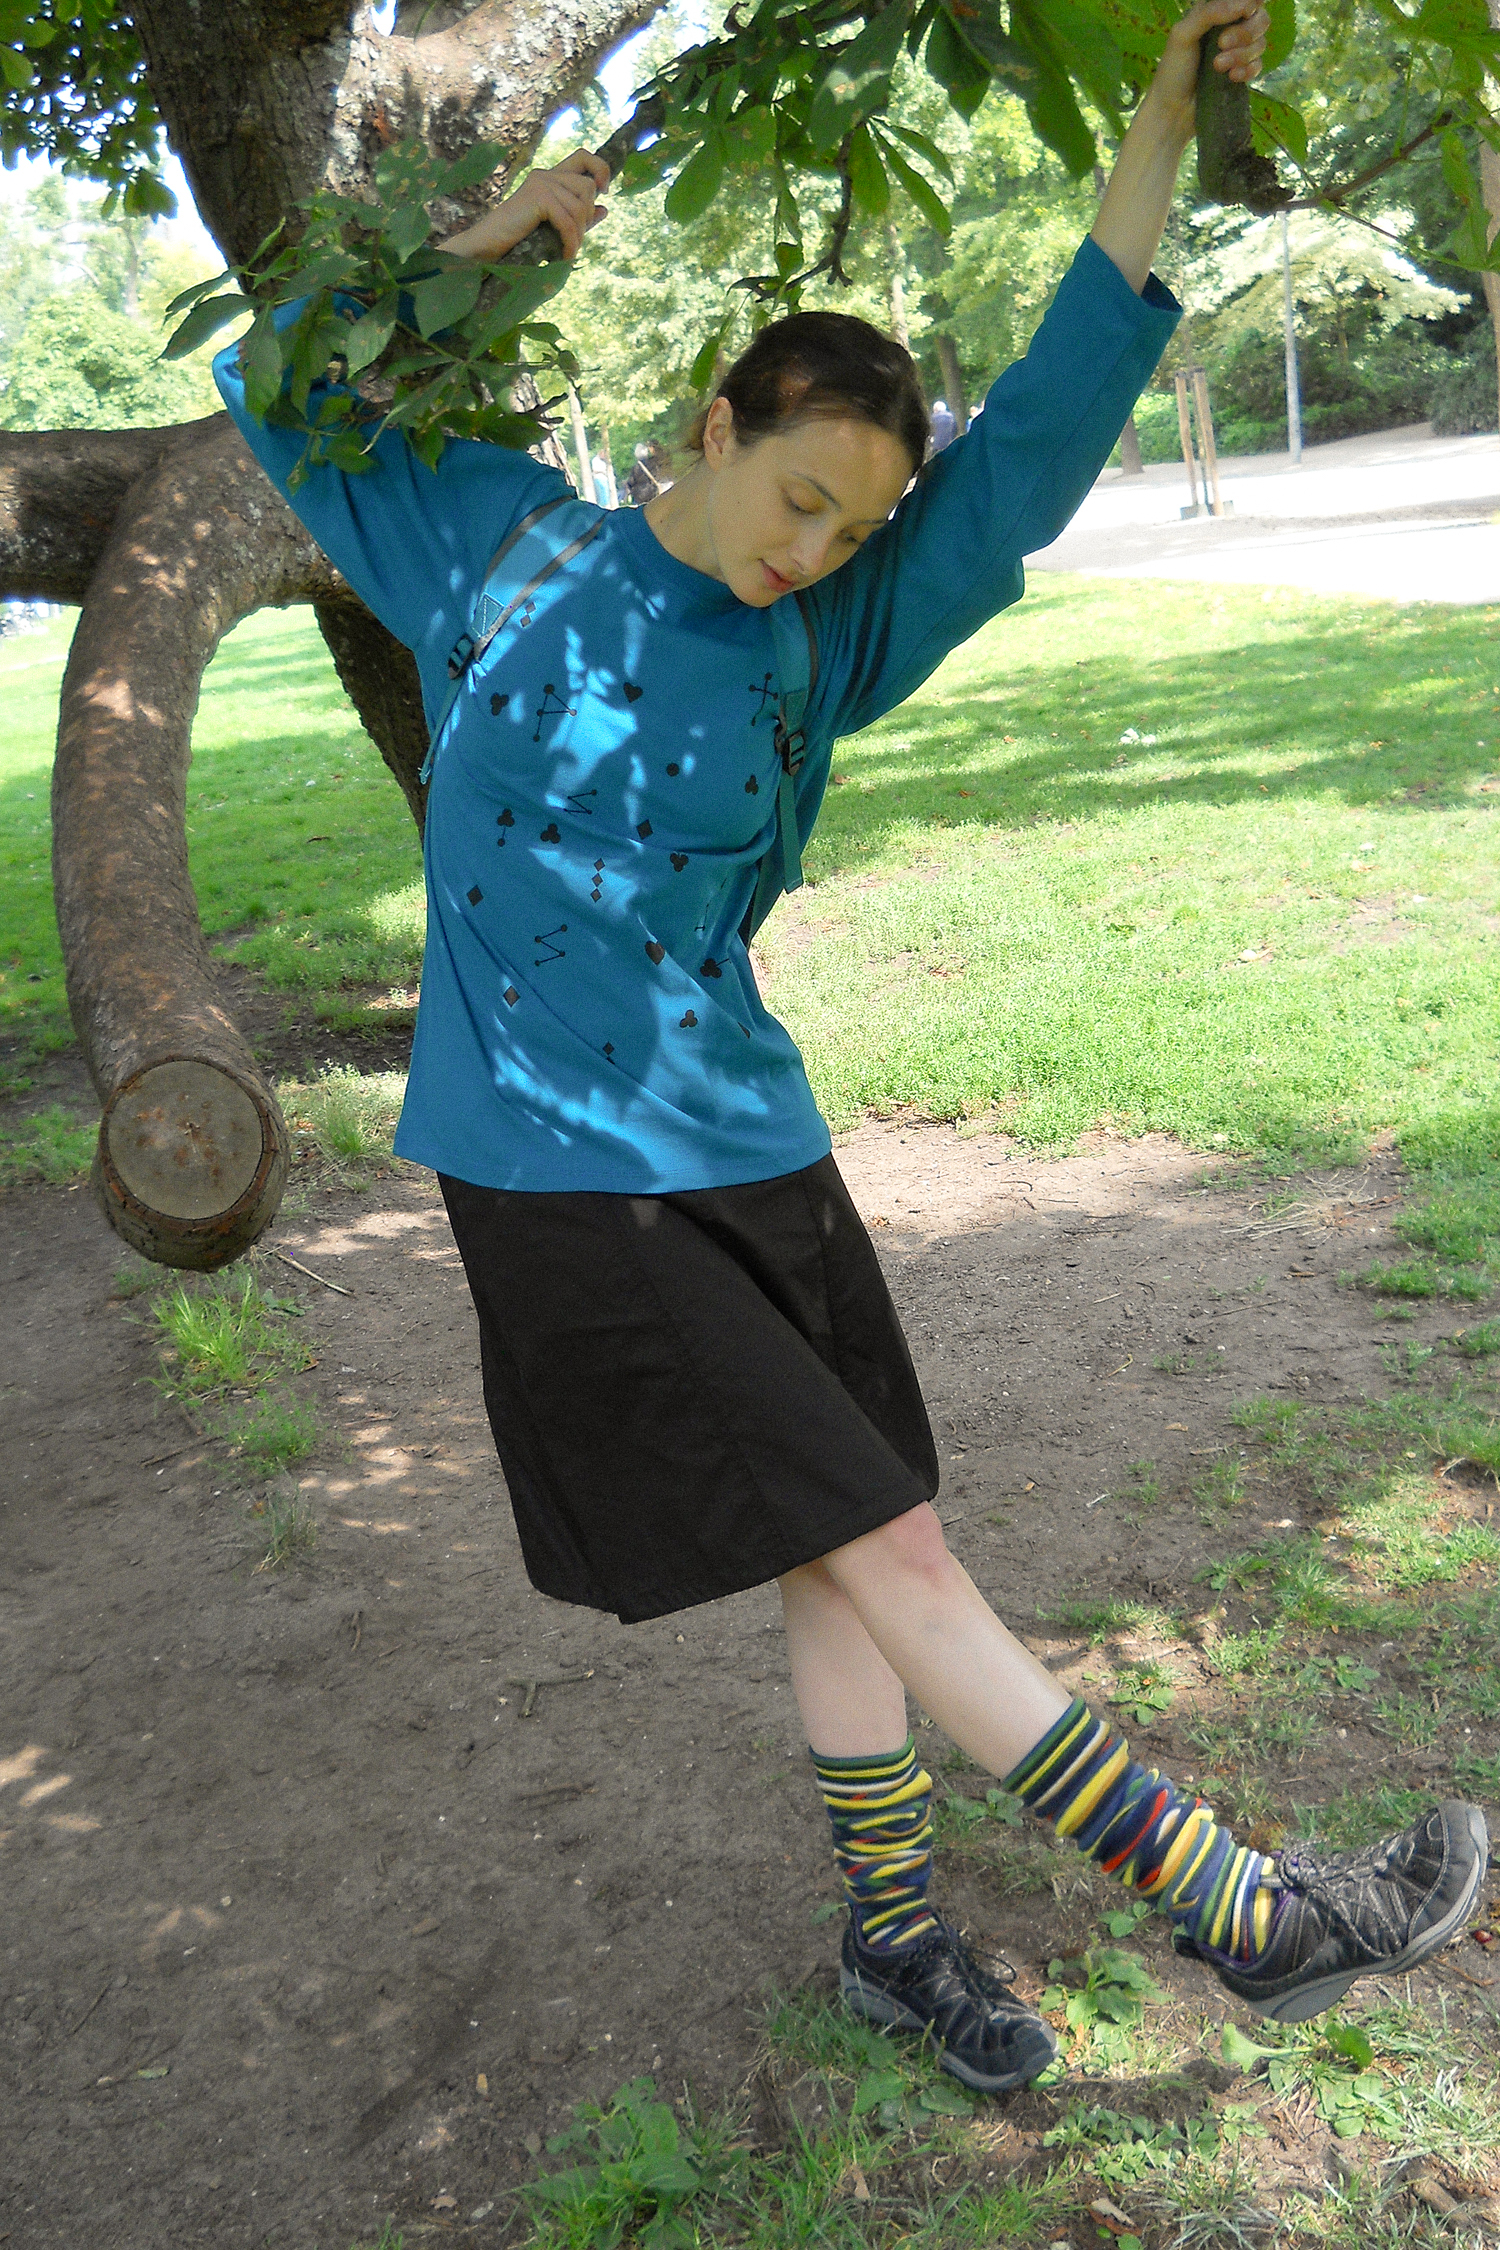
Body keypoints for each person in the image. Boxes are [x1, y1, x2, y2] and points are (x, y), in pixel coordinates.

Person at [214, 0, 1487, 2097]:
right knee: (884, 1544)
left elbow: (1042, 440)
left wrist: (1162, 121)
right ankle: (1242, 1912)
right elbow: (275, 378)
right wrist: (488, 247)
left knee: (857, 1533)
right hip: (561, 1175)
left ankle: (892, 1932)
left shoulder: (824, 634)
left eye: (848, 528)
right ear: (715, 423)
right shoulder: (492, 543)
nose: (805, 550)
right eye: (795, 494)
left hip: (753, 1140)